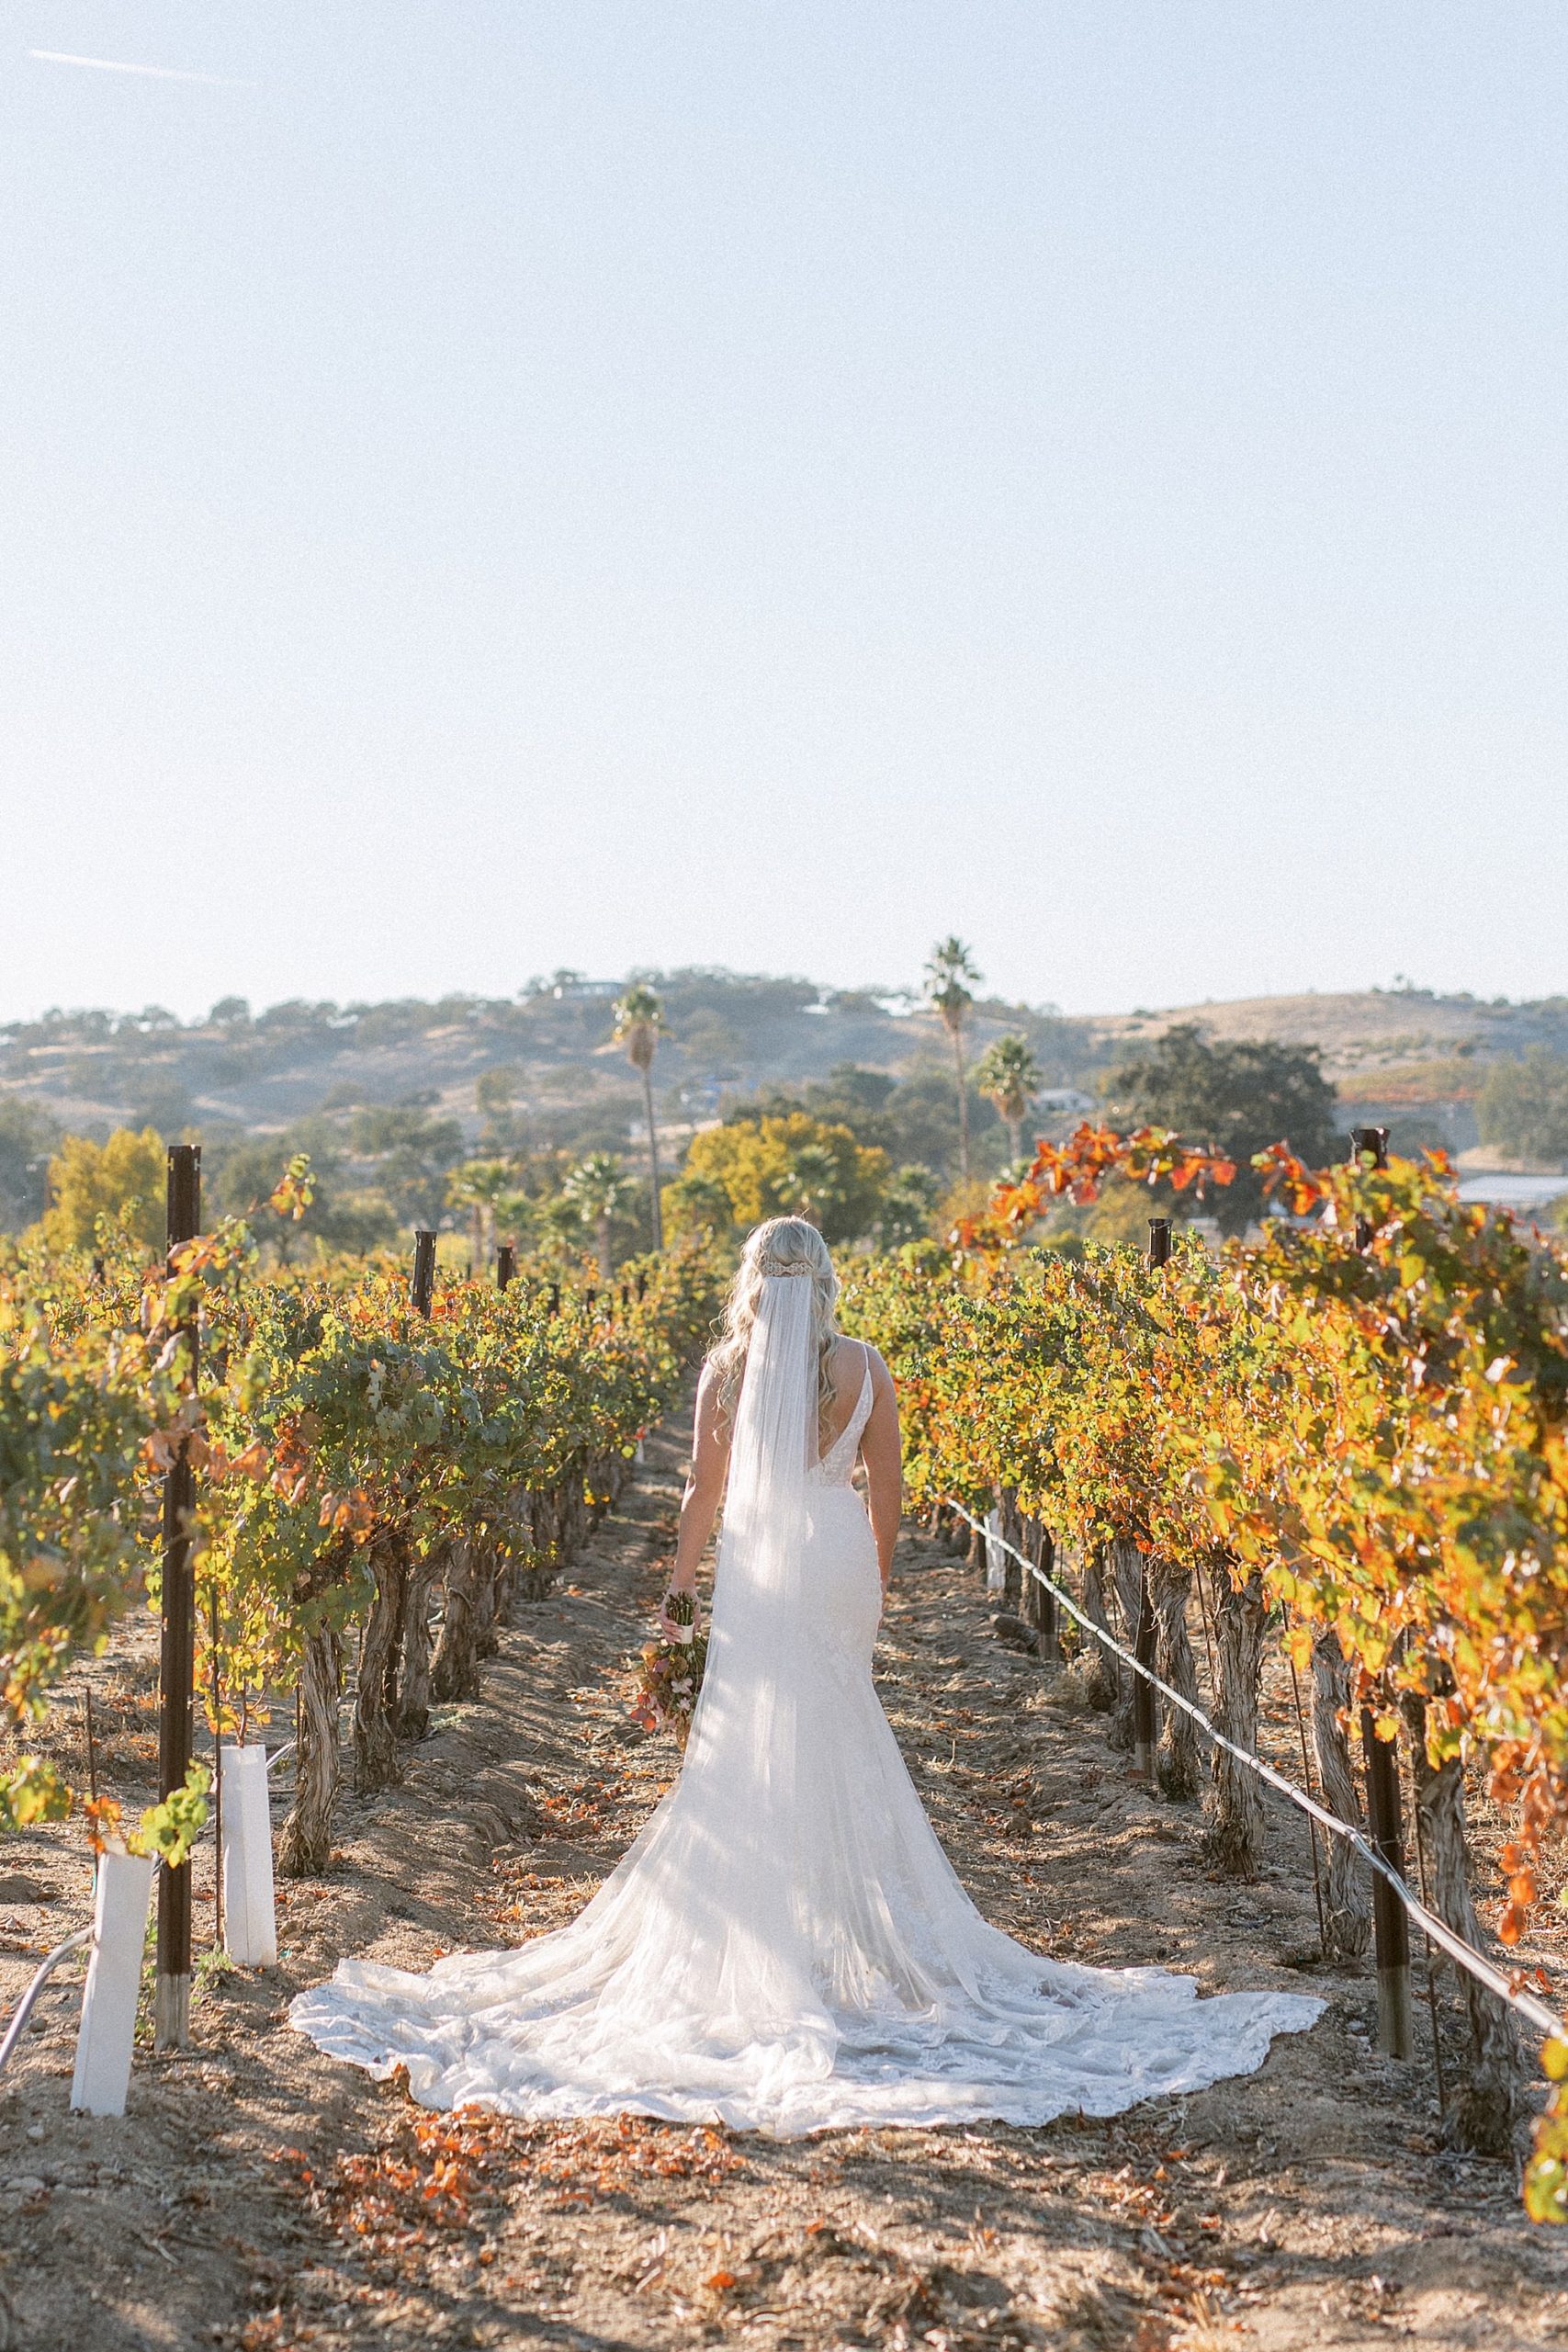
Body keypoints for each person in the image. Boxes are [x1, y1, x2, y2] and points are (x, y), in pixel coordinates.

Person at [291, 1216, 1320, 2135]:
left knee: (747, 1741)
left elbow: (704, 1490)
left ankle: (767, 1944)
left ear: (751, 1281)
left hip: (759, 1562)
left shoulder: (726, 1370)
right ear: (825, 1281)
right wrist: (873, 1584)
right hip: (829, 1560)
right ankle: (833, 1945)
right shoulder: (864, 1364)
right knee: (836, 1722)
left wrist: (679, 1592)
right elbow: (890, 1491)